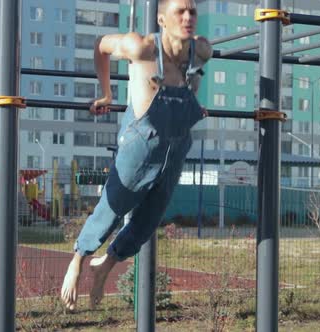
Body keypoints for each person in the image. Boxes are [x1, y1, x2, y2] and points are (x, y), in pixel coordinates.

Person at [61, 0, 213, 310]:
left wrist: (194, 105)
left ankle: (106, 266)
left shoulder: (202, 50)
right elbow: (100, 45)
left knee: (147, 223)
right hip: (140, 144)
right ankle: (78, 259)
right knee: (112, 207)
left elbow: (190, 86)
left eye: (192, 11)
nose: (188, 17)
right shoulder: (140, 47)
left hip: (176, 147)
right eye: (180, 11)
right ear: (161, 19)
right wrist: (106, 93)